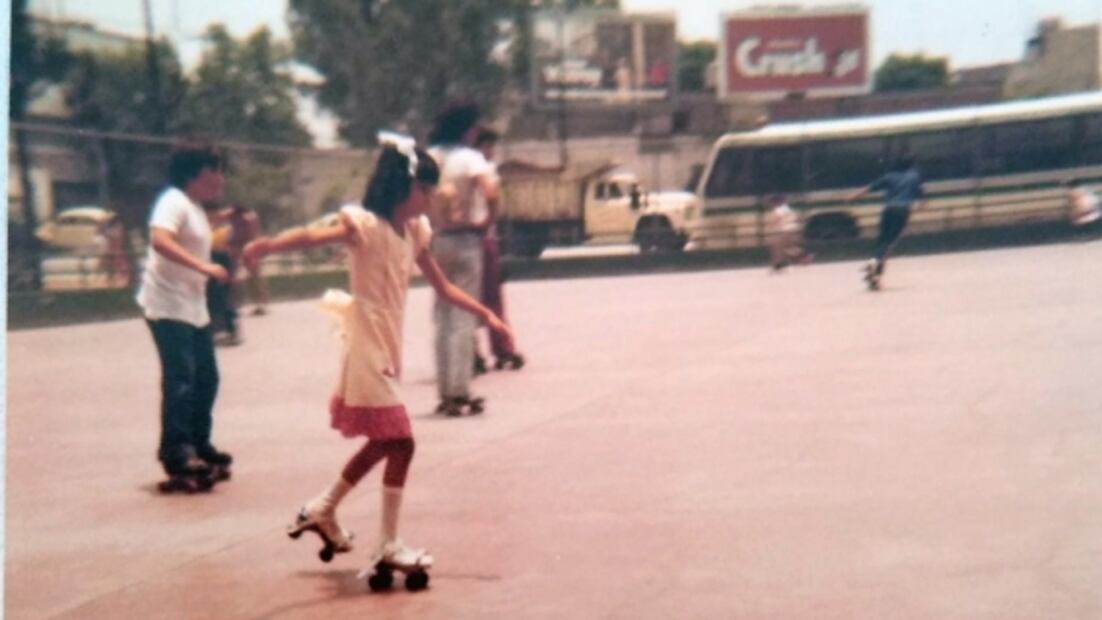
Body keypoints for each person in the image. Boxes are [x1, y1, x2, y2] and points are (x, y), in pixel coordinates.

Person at [242, 134, 512, 570]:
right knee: (401, 442)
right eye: (424, 189)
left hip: (385, 345)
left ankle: (322, 508)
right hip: (367, 343)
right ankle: (387, 542)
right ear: (402, 186)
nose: (429, 198)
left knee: (385, 442)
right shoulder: (365, 225)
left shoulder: (414, 232)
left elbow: (442, 287)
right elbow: (315, 236)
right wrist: (267, 246)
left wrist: (486, 313)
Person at [136, 141, 233, 484]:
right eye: (215, 170)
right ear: (196, 173)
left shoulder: (193, 206)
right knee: (181, 381)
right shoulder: (172, 201)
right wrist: (204, 267)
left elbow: (193, 236)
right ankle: (177, 452)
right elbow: (160, 240)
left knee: (206, 378)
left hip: (192, 306)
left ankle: (198, 443)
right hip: (166, 304)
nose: (220, 178)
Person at [426, 102, 501, 414]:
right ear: (469, 130)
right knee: (463, 317)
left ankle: (445, 391)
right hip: (466, 240)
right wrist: (486, 221)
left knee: (443, 315)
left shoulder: (429, 156)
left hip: (436, 240)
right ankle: (459, 390)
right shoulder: (469, 157)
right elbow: (491, 192)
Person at [471, 127, 525, 374]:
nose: (490, 151)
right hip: (480, 236)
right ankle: (498, 348)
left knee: (482, 298)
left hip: (481, 236)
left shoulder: (480, 169)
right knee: (485, 298)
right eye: (486, 146)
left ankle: (493, 348)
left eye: (492, 146)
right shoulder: (480, 170)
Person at [846, 156, 925, 289]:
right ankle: (875, 265)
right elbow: (921, 196)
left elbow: (870, 188)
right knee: (890, 243)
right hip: (902, 211)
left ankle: (874, 275)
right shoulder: (914, 176)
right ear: (911, 165)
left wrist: (852, 197)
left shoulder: (890, 176)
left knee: (882, 240)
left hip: (888, 210)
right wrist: (917, 208)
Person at [226, 204, 270, 315]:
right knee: (239, 278)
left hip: (248, 246)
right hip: (238, 246)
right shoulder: (235, 217)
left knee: (254, 278)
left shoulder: (249, 218)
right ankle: (237, 303)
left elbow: (253, 233)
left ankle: (260, 304)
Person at [764, 194, 813, 272]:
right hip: (794, 229)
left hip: (785, 230)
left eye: (771, 203)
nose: (770, 205)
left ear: (775, 202)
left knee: (777, 247)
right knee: (788, 247)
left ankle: (779, 264)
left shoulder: (778, 210)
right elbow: (795, 217)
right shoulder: (787, 208)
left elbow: (775, 220)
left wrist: (771, 226)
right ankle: (804, 255)